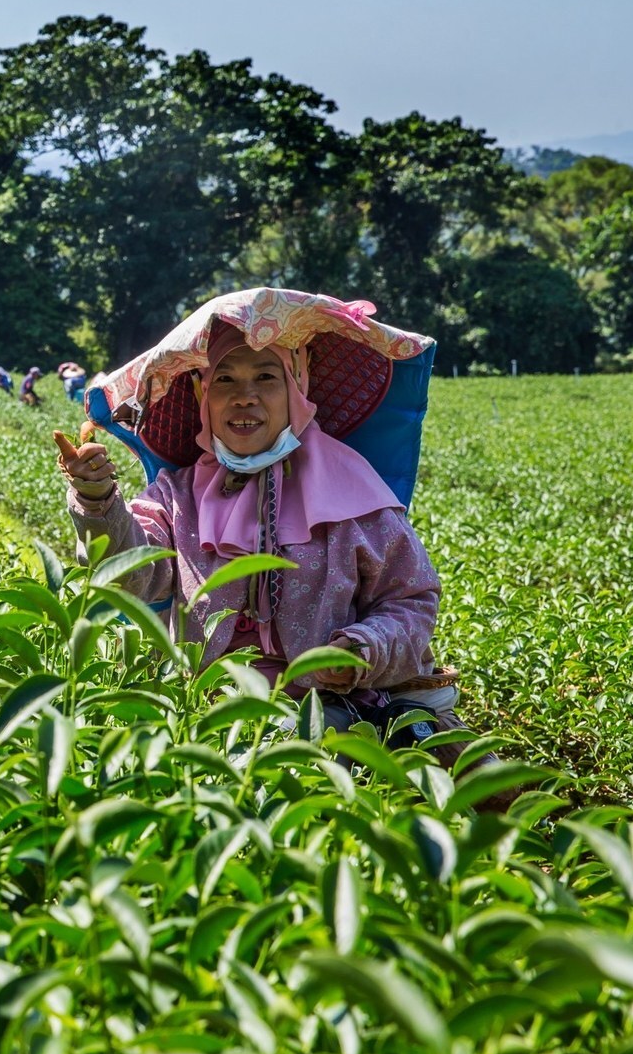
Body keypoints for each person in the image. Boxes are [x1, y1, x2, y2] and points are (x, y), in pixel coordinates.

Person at [55, 298, 480, 762]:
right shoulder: (177, 497)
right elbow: (132, 575)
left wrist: (361, 649)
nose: (244, 396)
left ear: (297, 387)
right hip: (214, 712)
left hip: (339, 706)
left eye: (265, 377)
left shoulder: (357, 493)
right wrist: (98, 499)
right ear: (203, 397)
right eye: (225, 378)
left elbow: (410, 601)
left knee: (468, 780)